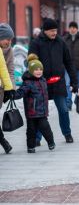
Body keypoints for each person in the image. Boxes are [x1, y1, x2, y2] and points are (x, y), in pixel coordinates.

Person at [29, 18, 78, 143]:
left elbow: (68, 62)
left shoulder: (60, 42)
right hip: (42, 83)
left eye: (55, 30)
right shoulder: (36, 43)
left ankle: (67, 134)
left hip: (58, 82)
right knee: (41, 113)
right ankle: (37, 138)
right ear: (45, 31)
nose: (54, 33)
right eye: (51, 31)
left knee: (63, 109)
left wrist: (74, 81)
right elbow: (31, 64)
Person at [13, 54, 55, 153]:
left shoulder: (43, 80)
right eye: (36, 70)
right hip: (31, 112)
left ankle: (51, 142)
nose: (39, 71)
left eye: (40, 69)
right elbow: (21, 92)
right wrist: (13, 95)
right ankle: (30, 146)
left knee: (45, 128)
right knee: (31, 130)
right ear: (31, 71)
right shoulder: (28, 83)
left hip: (42, 112)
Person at [0, 23, 15, 154]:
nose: (9, 42)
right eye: (7, 39)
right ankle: (4, 142)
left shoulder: (9, 50)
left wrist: (10, 89)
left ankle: (4, 143)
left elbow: (9, 70)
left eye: (10, 40)